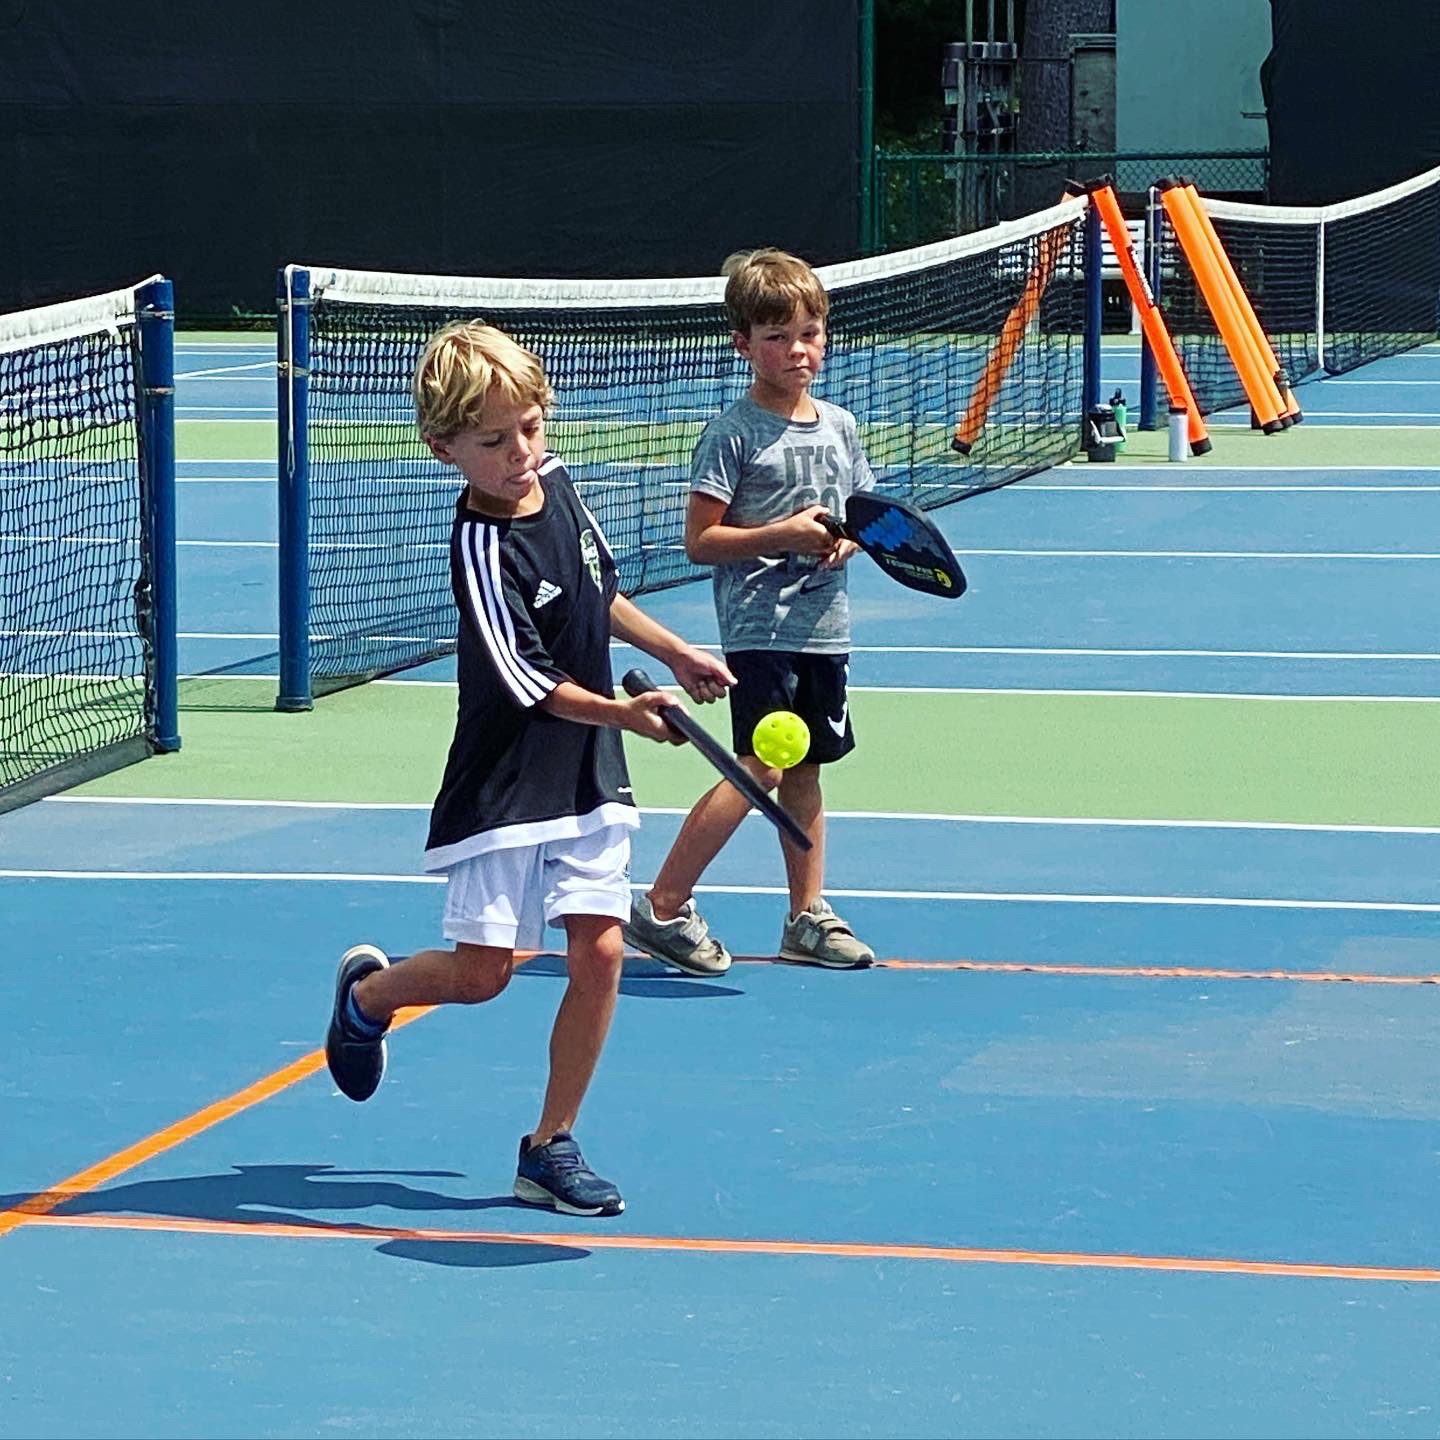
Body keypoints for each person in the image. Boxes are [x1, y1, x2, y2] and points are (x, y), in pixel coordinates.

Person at [324, 320, 735, 1218]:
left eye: (530, 429)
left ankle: (550, 1147)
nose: (520, 453)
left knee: (601, 951)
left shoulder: (556, 481)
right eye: (493, 441)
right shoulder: (479, 547)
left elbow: (600, 591)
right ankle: (368, 996)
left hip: (589, 768)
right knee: (484, 975)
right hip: (507, 779)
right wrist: (624, 710)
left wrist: (675, 655)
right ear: (445, 450)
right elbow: (533, 685)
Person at [623, 248, 877, 977]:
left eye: (809, 333)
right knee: (761, 767)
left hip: (825, 629)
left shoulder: (840, 426)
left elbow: (858, 516)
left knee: (807, 771)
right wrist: (782, 534)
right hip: (760, 628)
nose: (797, 350)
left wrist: (843, 544)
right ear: (744, 345)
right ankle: (663, 905)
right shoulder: (732, 433)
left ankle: (807, 916)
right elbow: (700, 542)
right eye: (777, 337)